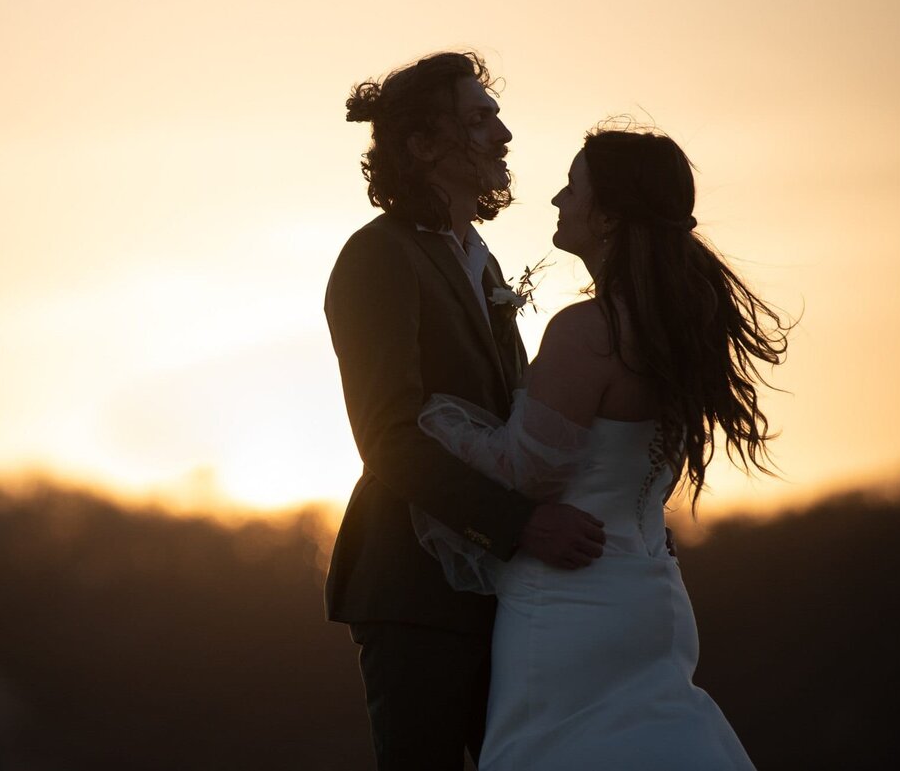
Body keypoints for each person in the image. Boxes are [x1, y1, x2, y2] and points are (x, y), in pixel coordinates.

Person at [416, 126, 790, 769]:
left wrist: (433, 417)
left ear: (610, 216)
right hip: (651, 594)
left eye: (573, 186)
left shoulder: (589, 331)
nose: (558, 199)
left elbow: (527, 474)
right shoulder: (680, 331)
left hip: (569, 603)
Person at [324, 52, 608, 771]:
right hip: (413, 589)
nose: (503, 134)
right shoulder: (376, 258)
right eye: (479, 119)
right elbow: (387, 437)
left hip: (502, 588)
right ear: (423, 146)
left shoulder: (479, 260)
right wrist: (519, 524)